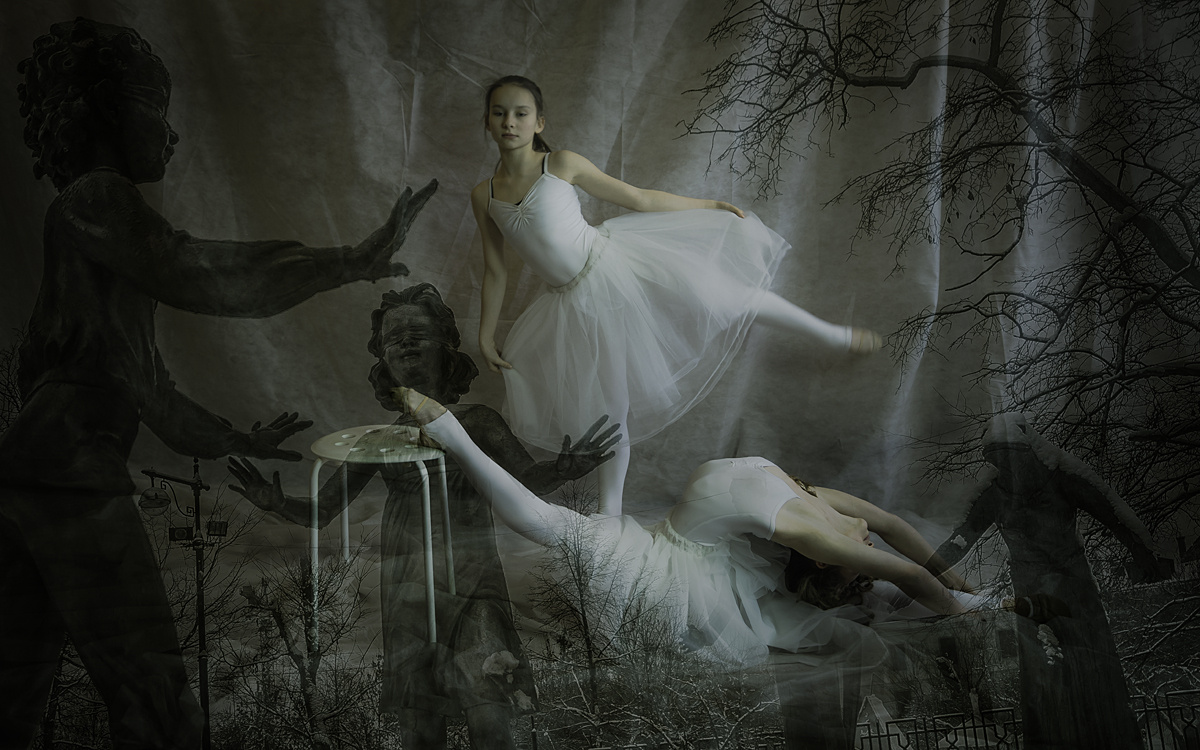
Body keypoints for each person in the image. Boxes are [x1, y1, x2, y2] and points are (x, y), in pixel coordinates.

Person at [0, 18, 434, 749]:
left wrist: (237, 438)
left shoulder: (92, 250)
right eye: (154, 107)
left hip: (31, 474)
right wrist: (346, 262)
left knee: (14, 695)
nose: (171, 134)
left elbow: (153, 395)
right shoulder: (97, 196)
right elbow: (196, 270)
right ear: (104, 112)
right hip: (66, 475)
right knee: (155, 698)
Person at [228, 284, 618, 750]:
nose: (406, 344)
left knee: (490, 700)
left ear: (446, 348)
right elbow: (321, 511)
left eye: (418, 334)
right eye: (394, 339)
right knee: (418, 718)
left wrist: (561, 469)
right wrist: (276, 503)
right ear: (383, 359)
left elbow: (527, 480)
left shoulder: (478, 421)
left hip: (472, 580)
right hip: (407, 588)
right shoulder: (377, 440)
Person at [471, 75, 883, 517]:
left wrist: (709, 205)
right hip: (574, 304)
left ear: (538, 122)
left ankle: (832, 334)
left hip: (616, 265)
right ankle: (611, 517)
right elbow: (495, 270)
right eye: (500, 113)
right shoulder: (485, 195)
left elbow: (638, 198)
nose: (509, 122)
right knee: (611, 409)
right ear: (488, 122)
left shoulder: (561, 164)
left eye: (521, 113)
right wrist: (486, 334)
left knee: (727, 298)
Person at [394, 387, 986, 670]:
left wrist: (957, 584)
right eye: (859, 562)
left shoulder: (821, 507)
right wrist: (959, 603)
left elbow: (898, 536)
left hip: (689, 542)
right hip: (668, 566)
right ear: (829, 561)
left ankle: (594, 454)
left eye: (859, 562)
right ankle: (453, 434)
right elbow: (904, 561)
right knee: (549, 524)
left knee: (579, 522)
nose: (868, 545)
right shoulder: (817, 529)